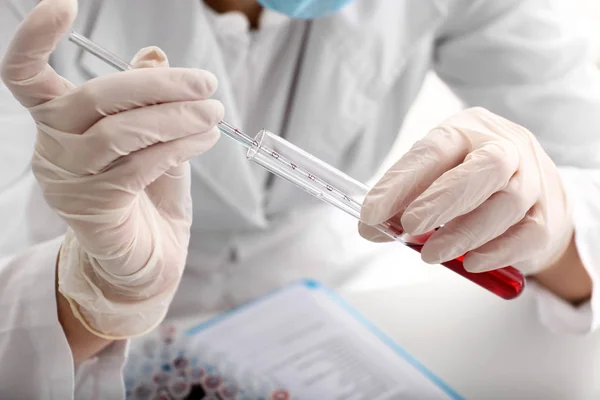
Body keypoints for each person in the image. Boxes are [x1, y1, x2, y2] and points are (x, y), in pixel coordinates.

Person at [1, 0, 599, 397]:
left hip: (332, 302)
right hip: (73, 299)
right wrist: (92, 296)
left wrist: (554, 230)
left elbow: (588, 158)